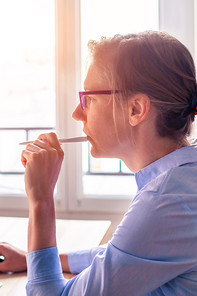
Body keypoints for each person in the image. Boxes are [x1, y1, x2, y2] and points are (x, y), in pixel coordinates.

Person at [1, 30, 197, 295]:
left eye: (89, 99)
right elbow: (121, 254)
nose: (77, 113)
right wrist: (31, 259)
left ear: (136, 109)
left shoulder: (166, 200)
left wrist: (41, 198)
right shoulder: (181, 181)